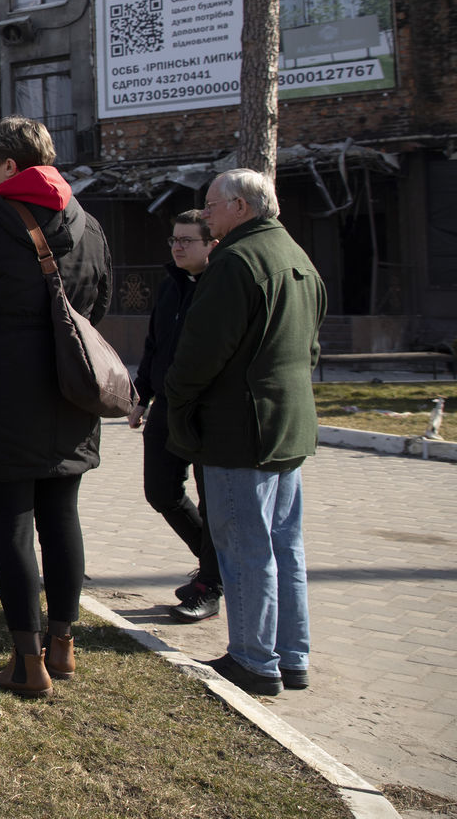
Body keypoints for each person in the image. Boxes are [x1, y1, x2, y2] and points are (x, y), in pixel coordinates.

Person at [0, 116, 112, 698]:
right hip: (69, 393)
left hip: (1, 394)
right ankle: (62, 647)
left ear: (9, 166)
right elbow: (100, 303)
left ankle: (26, 661)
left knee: (10, 525)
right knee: (62, 517)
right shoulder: (87, 223)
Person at [165, 169, 326, 697]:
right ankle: (291, 655)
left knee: (245, 548)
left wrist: (178, 400)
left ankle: (254, 660)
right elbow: (311, 349)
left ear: (240, 206)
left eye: (211, 205)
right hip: (288, 425)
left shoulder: (235, 262)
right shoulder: (296, 256)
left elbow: (199, 353)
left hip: (240, 429)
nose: (205, 214)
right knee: (284, 545)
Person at [129, 209, 223, 623]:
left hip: (207, 410)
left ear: (211, 245)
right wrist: (142, 395)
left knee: (213, 499)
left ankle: (212, 584)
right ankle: (219, 567)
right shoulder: (171, 286)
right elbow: (154, 345)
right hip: (166, 406)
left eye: (188, 240)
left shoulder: (220, 286)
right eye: (174, 240)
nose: (179, 247)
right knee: (161, 491)